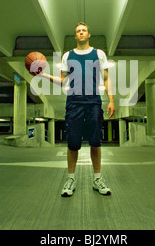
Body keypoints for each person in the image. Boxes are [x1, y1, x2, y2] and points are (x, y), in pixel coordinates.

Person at [38, 22, 115, 197]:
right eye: (78, 31)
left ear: (89, 35)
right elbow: (63, 81)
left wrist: (111, 100)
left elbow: (106, 78)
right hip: (73, 102)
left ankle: (97, 179)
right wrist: (43, 75)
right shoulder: (68, 55)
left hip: (94, 101)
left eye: (84, 30)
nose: (81, 33)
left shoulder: (99, 54)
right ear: (75, 36)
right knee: (73, 144)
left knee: (96, 142)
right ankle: (71, 179)